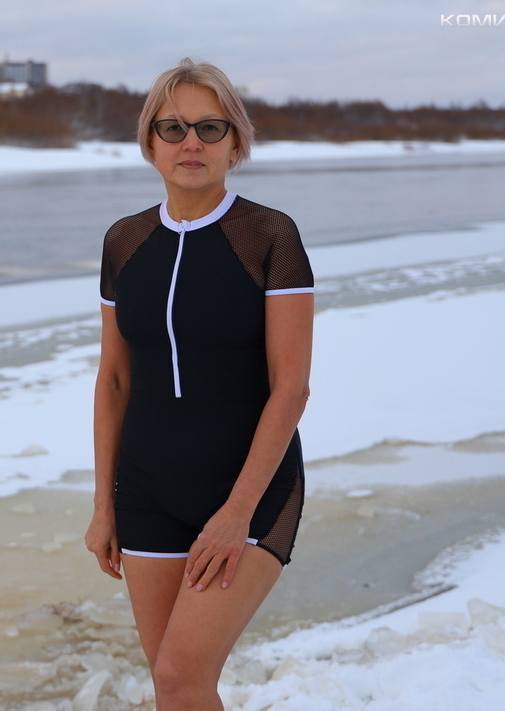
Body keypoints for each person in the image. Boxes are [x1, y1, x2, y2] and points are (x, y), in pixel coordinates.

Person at [85, 59, 314, 709]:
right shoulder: (125, 241)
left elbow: (291, 386)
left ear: (235, 142)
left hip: (248, 490)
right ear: (150, 141)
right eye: (173, 128)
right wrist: (104, 505)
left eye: (211, 128)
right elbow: (114, 381)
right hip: (147, 490)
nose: (191, 143)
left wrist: (235, 513)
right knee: (174, 683)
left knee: (180, 676)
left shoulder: (269, 236)